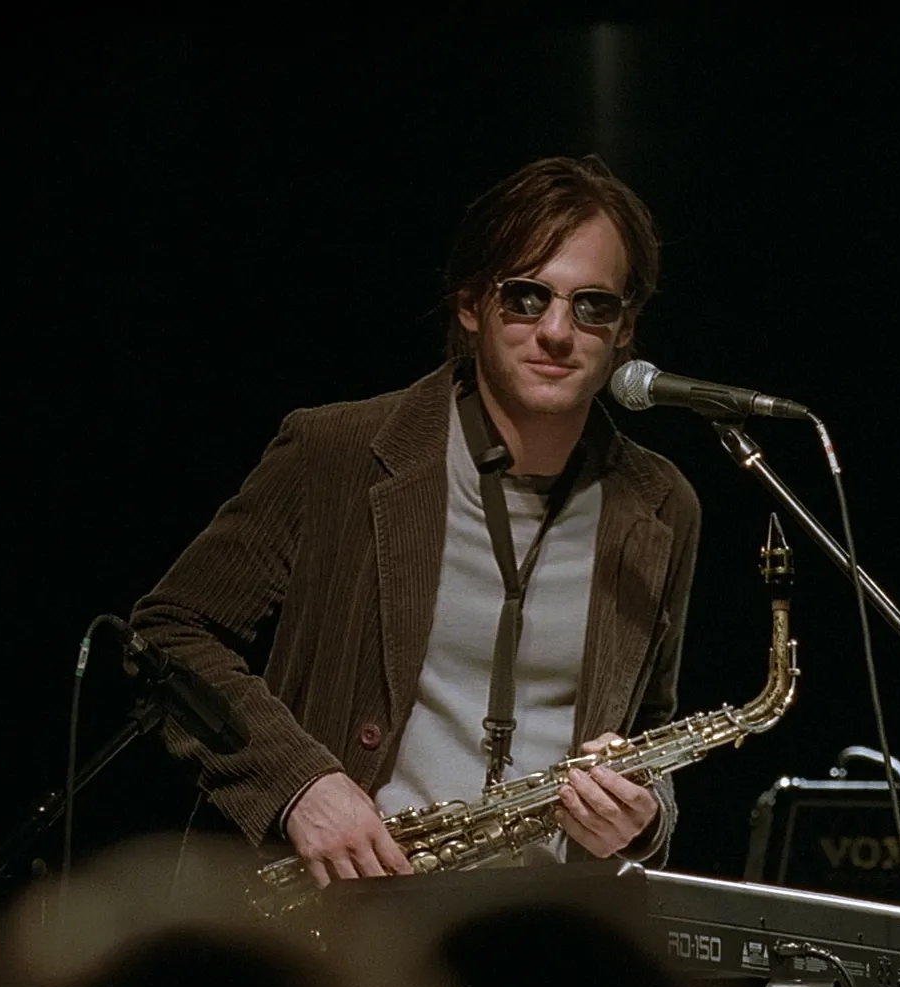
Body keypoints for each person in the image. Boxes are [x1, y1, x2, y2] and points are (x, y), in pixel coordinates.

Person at [129, 154, 700, 890]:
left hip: (541, 935)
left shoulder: (661, 504)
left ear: (627, 328)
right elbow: (169, 633)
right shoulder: (336, 452)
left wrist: (646, 816)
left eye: (593, 306)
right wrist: (299, 785)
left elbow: (651, 726)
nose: (558, 331)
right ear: (470, 306)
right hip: (340, 928)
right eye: (525, 298)